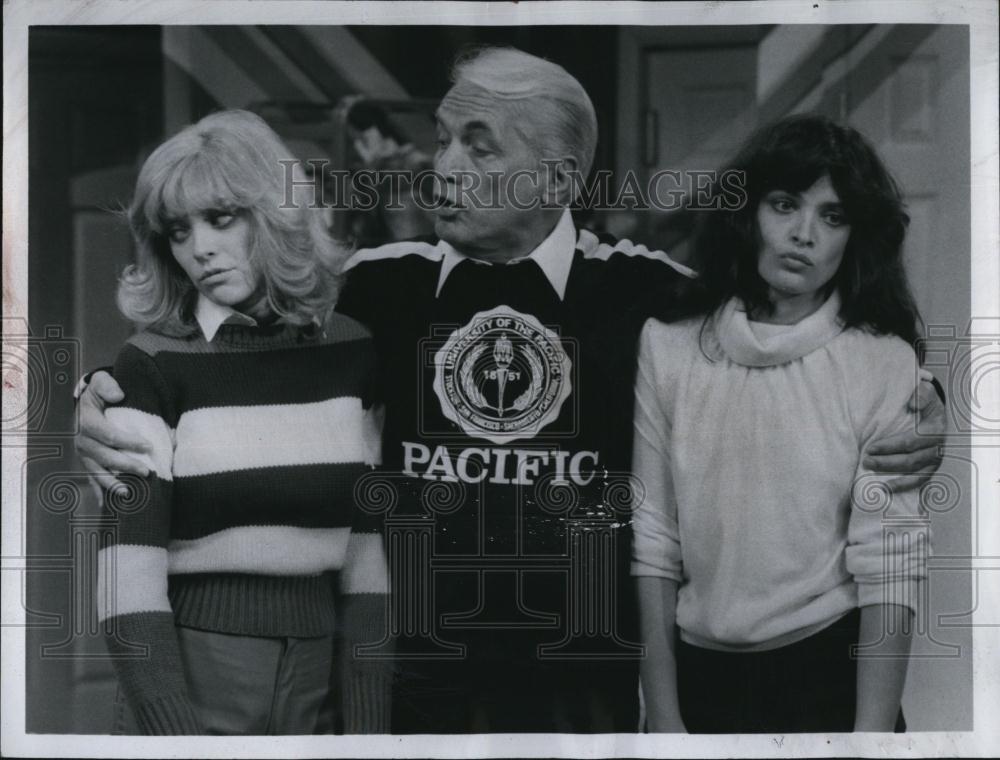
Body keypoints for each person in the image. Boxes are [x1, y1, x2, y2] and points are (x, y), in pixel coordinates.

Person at [75, 49, 945, 734]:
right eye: (444, 138)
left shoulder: (651, 293)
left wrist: (924, 393)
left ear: (560, 181)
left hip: (587, 687)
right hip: (403, 683)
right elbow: (231, 330)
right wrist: (99, 392)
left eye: (476, 145)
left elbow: (800, 330)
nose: (441, 166)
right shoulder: (374, 287)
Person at [632, 114, 931, 734]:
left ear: (855, 236)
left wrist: (869, 741)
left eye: (833, 216)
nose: (803, 234)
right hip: (700, 682)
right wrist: (661, 715)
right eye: (785, 204)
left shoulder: (883, 360)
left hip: (829, 675)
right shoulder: (670, 346)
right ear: (747, 215)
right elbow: (654, 540)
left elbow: (890, 565)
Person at [96, 109, 388, 735]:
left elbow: (369, 560)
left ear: (276, 212)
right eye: (177, 231)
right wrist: (175, 736)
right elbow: (126, 588)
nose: (198, 248)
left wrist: (368, 724)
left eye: (220, 218)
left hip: (320, 677)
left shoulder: (350, 349)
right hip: (190, 676)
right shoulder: (151, 363)